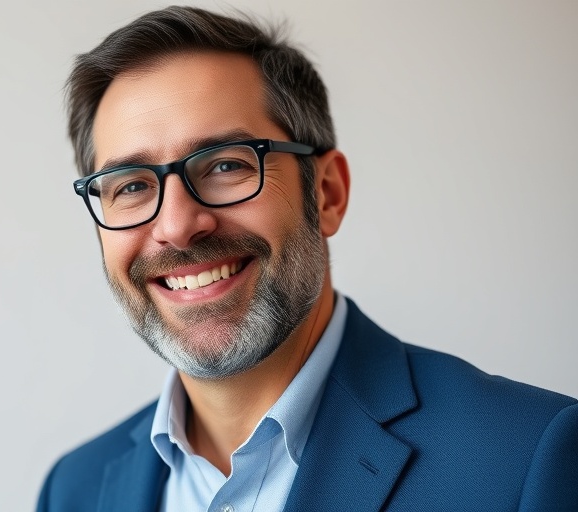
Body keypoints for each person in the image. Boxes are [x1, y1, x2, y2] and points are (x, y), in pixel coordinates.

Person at [37, 6, 578, 512]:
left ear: (327, 193)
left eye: (226, 166)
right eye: (130, 184)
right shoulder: (74, 489)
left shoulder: (528, 461)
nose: (177, 227)